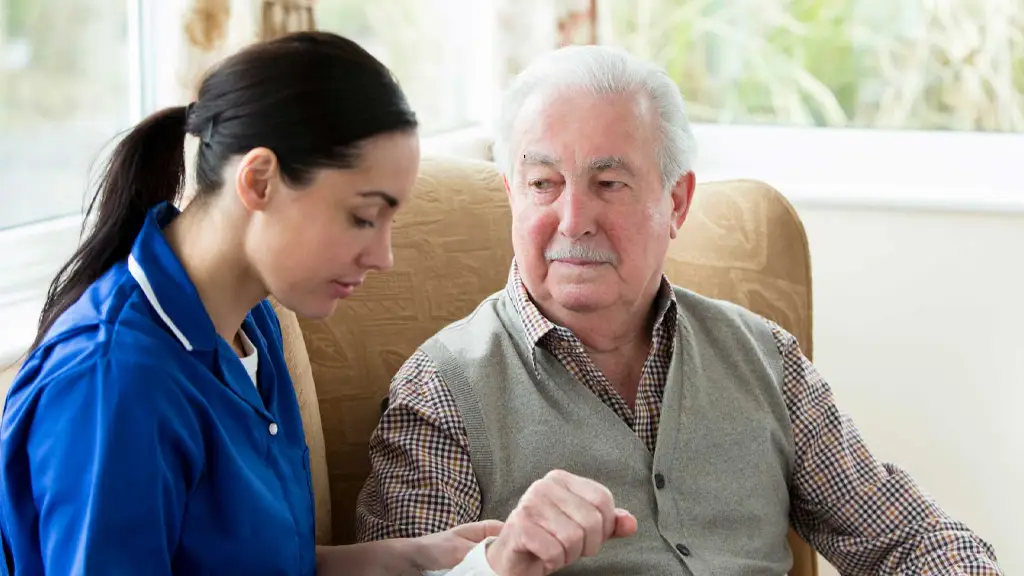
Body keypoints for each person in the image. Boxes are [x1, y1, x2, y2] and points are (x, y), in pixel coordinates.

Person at [356, 45, 1004, 575]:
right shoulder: (441, 391)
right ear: (512, 196)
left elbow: (909, 538)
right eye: (544, 184)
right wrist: (499, 562)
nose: (573, 220)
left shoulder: (766, 359)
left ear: (678, 203)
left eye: (609, 184)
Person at [0, 31, 628, 576]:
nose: (382, 256)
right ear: (259, 180)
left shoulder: (254, 327)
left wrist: (422, 557)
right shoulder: (115, 385)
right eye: (362, 217)